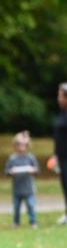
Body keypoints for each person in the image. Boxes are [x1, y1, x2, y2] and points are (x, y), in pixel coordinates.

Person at [5, 131, 39, 228]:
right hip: (17, 189)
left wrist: (32, 170)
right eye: (19, 145)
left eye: (24, 145)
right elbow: (7, 171)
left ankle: (33, 222)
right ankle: (16, 222)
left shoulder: (30, 158)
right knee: (16, 207)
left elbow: (37, 170)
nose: (21, 147)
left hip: (29, 189)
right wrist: (11, 172)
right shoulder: (12, 159)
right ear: (15, 146)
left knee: (31, 206)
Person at [50, 82, 67, 225]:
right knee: (65, 184)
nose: (58, 98)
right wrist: (55, 155)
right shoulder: (62, 113)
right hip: (61, 157)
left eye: (60, 95)